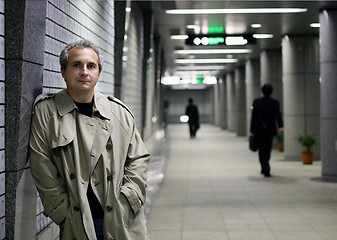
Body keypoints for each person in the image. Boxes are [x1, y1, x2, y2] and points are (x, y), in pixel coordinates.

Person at [29, 39, 150, 240]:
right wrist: (62, 211)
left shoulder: (119, 113)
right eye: (77, 65)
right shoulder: (47, 112)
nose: (84, 71)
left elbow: (138, 159)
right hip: (77, 219)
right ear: (63, 72)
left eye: (91, 66)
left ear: (98, 74)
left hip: (121, 217)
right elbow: (42, 166)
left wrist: (129, 199)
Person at [250, 83, 283, 177]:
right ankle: (266, 165)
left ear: (262, 91)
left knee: (261, 150)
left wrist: (252, 130)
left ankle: (265, 166)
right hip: (270, 130)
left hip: (259, 130)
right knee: (268, 149)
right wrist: (281, 126)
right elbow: (278, 115)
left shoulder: (256, 102)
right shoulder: (275, 102)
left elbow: (254, 117)